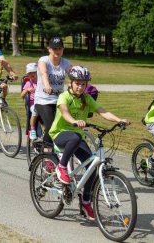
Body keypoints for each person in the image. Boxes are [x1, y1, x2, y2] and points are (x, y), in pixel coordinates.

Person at [49, 66, 130, 221]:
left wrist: (119, 120)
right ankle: (62, 167)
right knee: (75, 137)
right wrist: (74, 121)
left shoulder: (87, 99)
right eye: (77, 83)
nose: (80, 86)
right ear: (71, 83)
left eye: (83, 84)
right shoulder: (64, 96)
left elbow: (102, 111)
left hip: (77, 137)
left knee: (92, 167)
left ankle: (86, 202)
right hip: (60, 134)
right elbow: (64, 112)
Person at [34, 36, 71, 146]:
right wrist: (47, 85)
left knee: (65, 125)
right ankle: (46, 152)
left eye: (60, 48)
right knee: (51, 126)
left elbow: (73, 74)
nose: (57, 51)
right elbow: (44, 73)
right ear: (49, 49)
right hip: (43, 100)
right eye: (55, 48)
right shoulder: (44, 60)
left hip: (59, 99)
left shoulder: (65, 62)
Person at [20, 62, 38, 140]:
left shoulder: (42, 82)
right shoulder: (28, 83)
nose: (32, 74)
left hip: (42, 102)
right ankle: (32, 128)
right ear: (28, 75)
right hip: (32, 104)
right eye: (30, 73)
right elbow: (22, 95)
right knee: (35, 110)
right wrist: (27, 90)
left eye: (34, 72)